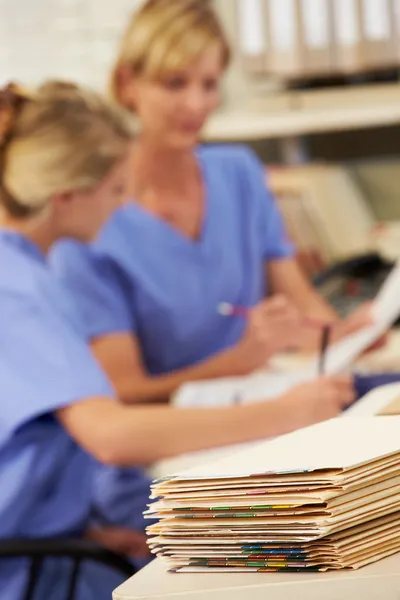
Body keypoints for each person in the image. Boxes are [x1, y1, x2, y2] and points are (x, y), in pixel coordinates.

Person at [0, 81, 354, 600]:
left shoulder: (24, 272)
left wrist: (87, 532)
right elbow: (112, 435)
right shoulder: (19, 291)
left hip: (59, 543)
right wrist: (288, 412)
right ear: (66, 197)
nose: (123, 209)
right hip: (33, 576)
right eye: (117, 190)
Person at [50, 0, 372, 407]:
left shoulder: (238, 173)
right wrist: (240, 361)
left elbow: (301, 304)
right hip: (174, 439)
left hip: (265, 404)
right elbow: (123, 391)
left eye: (209, 84)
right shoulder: (90, 219)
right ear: (127, 83)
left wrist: (348, 334)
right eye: (175, 83)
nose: (197, 105)